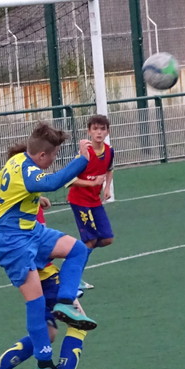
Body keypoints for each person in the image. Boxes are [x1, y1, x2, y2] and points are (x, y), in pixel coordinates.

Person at [0, 122, 96, 369]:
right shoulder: (28, 170)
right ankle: (44, 365)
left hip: (30, 231)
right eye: (53, 156)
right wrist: (82, 159)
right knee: (35, 304)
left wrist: (32, 199)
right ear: (42, 155)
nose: (53, 161)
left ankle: (65, 301)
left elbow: (3, 187)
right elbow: (53, 182)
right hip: (13, 241)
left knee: (77, 249)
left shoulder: (15, 161)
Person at [0, 196, 91, 369]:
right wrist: (33, 255)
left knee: (48, 333)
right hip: (45, 278)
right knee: (79, 324)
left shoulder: (21, 201)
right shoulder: (18, 209)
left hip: (41, 277)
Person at [66, 114, 115, 289]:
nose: (99, 132)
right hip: (79, 200)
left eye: (102, 129)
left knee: (107, 238)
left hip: (95, 200)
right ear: (89, 132)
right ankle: (74, 277)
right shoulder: (84, 154)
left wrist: (107, 187)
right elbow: (69, 180)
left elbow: (109, 169)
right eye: (95, 129)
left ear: (107, 132)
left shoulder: (109, 151)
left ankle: (74, 253)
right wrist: (92, 183)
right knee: (90, 240)